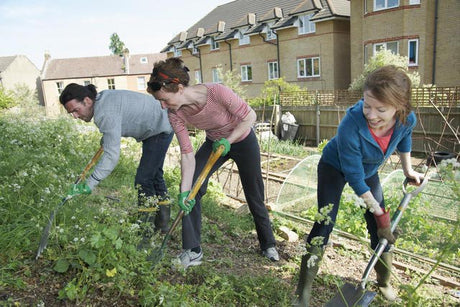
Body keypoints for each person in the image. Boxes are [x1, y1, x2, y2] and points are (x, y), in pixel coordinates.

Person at [295, 65, 424, 305]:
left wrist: (408, 170)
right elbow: (354, 177)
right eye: (367, 105)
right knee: (325, 223)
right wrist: (381, 215)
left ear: (400, 107)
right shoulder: (351, 124)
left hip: (369, 171)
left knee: (378, 229)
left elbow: (404, 138)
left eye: (381, 109)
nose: (371, 115)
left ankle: (384, 283)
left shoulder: (407, 119)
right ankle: (302, 294)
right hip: (335, 167)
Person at [146, 57, 279, 268]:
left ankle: (268, 244)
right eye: (159, 101)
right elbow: (187, 153)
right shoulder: (175, 113)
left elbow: (250, 117)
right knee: (191, 190)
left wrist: (230, 140)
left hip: (242, 139)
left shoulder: (217, 92)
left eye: (165, 100)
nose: (163, 106)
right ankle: (193, 250)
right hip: (214, 143)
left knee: (254, 194)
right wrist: (183, 191)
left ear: (179, 88)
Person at [59, 83, 174, 242]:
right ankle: (162, 225)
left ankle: (146, 233)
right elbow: (116, 123)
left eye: (75, 110)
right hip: (156, 125)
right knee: (154, 175)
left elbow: (112, 156)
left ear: (87, 101)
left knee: (144, 179)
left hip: (161, 126)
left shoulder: (104, 112)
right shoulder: (103, 100)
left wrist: (91, 183)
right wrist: (107, 138)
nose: (75, 116)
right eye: (71, 113)